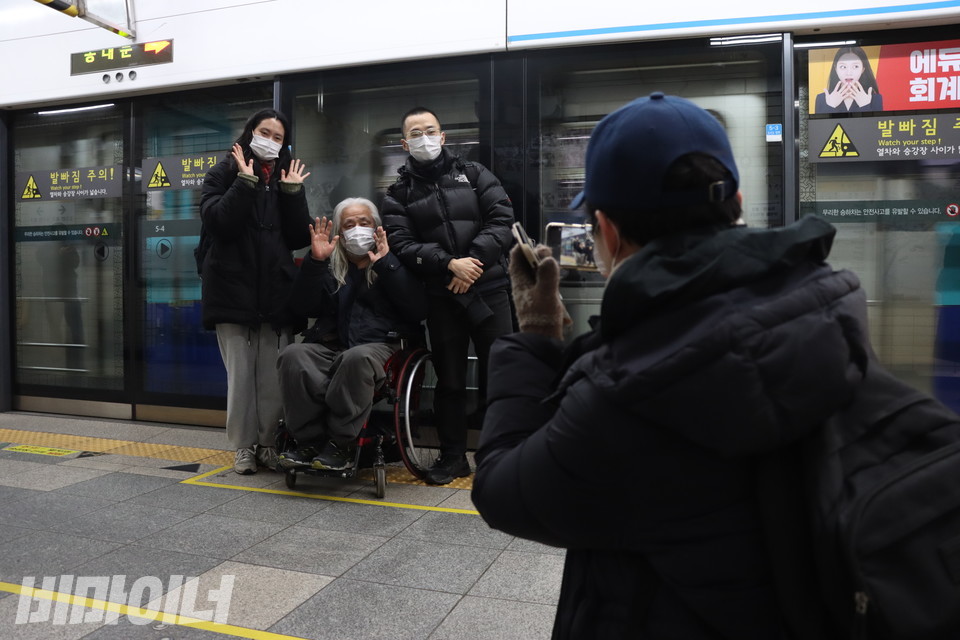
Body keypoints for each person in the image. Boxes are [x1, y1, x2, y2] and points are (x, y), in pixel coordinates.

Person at [472, 92, 864, 638]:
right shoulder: (827, 318)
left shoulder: (627, 390)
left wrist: (535, 335)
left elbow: (502, 490)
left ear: (606, 231)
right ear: (738, 202)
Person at [381, 107, 515, 485]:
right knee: (450, 381)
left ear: (443, 136)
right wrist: (448, 265)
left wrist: (470, 263)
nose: (425, 138)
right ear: (405, 143)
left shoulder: (474, 174)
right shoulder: (397, 194)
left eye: (431, 130)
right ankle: (453, 457)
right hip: (442, 296)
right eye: (416, 133)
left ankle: (500, 454)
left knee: (501, 375)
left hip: (489, 290)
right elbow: (402, 244)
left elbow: (502, 218)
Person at [200, 108, 313, 475]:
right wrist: (244, 183)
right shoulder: (224, 172)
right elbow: (219, 222)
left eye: (278, 137)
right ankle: (242, 448)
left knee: (270, 378)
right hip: (232, 292)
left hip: (276, 294)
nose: (270, 140)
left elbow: (298, 238)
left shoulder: (286, 177)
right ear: (249, 133)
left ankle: (268, 444)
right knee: (241, 378)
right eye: (264, 132)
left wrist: (293, 194)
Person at [277, 198, 426, 470]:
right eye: (349, 225)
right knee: (294, 355)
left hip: (383, 347)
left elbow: (417, 309)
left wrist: (386, 264)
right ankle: (308, 441)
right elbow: (302, 307)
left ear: (377, 228)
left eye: (364, 223)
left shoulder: (396, 259)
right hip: (337, 345)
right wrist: (315, 262)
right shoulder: (333, 265)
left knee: (356, 358)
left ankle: (341, 443)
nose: (357, 229)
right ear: (341, 233)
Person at [815, 46, 883, 113]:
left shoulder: (876, 99)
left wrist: (865, 107)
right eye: (843, 67)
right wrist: (830, 106)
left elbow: (872, 124)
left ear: (863, 69)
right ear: (836, 69)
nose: (849, 72)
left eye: (855, 66)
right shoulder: (822, 99)